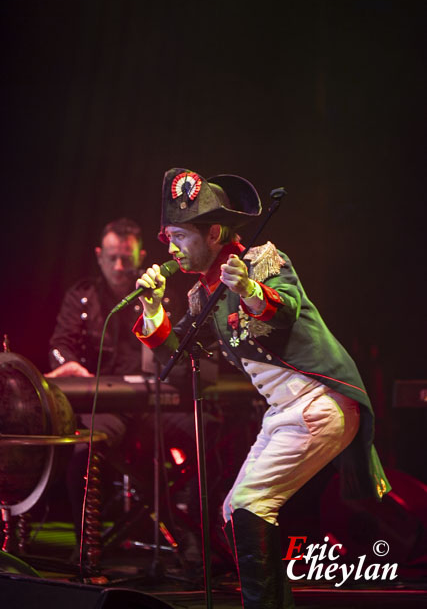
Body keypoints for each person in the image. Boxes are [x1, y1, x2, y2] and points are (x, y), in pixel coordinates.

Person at [131, 168, 391, 608]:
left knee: (251, 505)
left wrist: (250, 289)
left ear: (213, 232)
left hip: (318, 399)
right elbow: (183, 355)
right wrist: (152, 308)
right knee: (237, 511)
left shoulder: (263, 261)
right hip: (286, 411)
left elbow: (284, 311)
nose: (171, 247)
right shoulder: (204, 296)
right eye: (168, 236)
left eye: (180, 235)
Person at [45, 217, 192, 555]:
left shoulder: (159, 295)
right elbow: (59, 344)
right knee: (84, 449)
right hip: (106, 407)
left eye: (126, 258)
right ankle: (88, 549)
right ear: (99, 255)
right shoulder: (81, 296)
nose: (119, 265)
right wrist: (68, 365)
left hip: (152, 404)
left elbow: (181, 353)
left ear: (140, 256)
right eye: (112, 257)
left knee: (209, 436)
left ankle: (201, 537)